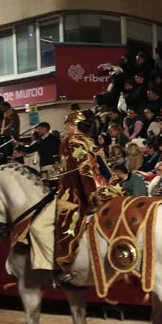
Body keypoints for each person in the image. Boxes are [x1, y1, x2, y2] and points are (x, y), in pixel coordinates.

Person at [50, 110, 120, 278]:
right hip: (107, 188)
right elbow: (106, 170)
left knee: (58, 220)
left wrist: (90, 193)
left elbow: (84, 169)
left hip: (77, 193)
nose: (65, 129)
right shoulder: (91, 142)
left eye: (67, 125)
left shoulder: (71, 141)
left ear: (73, 126)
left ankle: (64, 263)